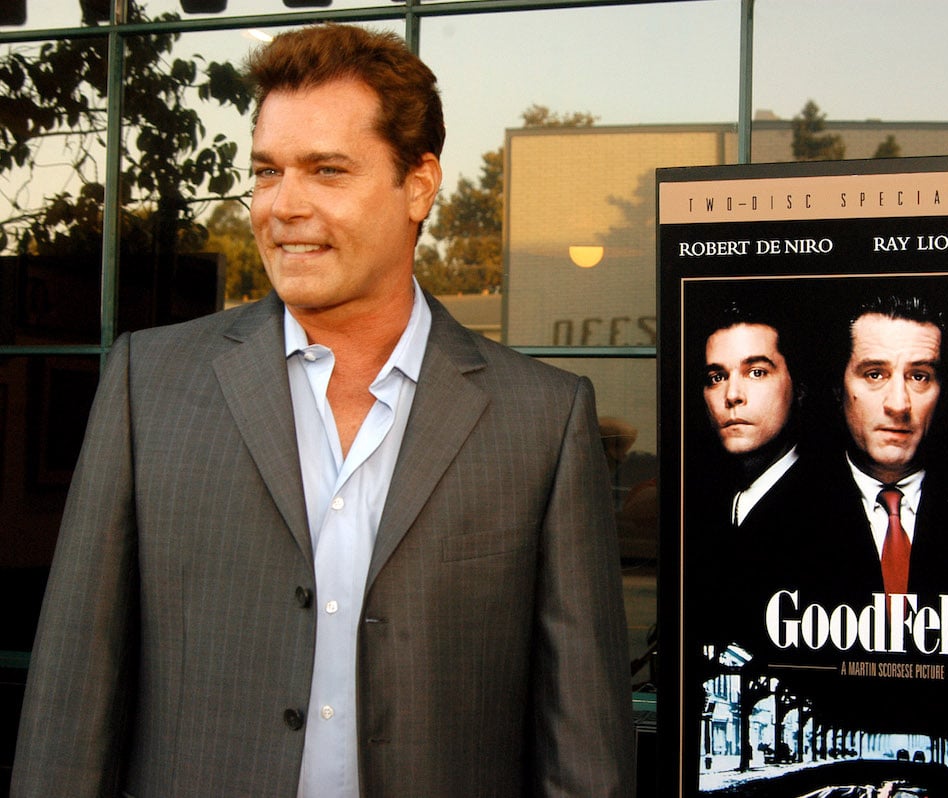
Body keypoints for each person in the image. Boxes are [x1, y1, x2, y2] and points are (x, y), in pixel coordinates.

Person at [12, 23, 633, 798]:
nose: (283, 205)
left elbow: (583, 750)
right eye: (267, 171)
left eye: (327, 170)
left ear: (420, 183)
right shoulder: (150, 385)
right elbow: (72, 700)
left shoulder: (541, 419)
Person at [806, 295, 948, 607]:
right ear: (838, 388)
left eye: (919, 376)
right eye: (874, 374)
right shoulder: (788, 511)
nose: (899, 404)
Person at [700, 300, 805, 530]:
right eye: (717, 377)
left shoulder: (829, 501)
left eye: (756, 372)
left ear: (799, 387)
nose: (733, 395)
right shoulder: (698, 497)